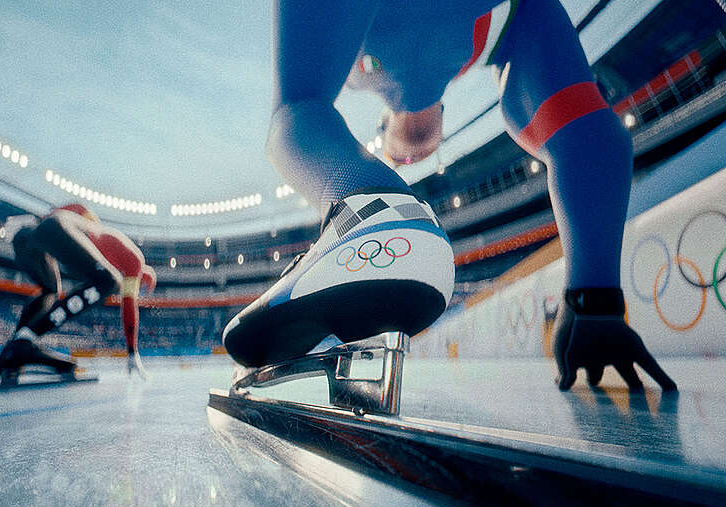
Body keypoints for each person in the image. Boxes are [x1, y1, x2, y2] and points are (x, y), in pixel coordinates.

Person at [223, 0, 676, 392]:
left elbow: (297, 114)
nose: (413, 154)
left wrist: (366, 192)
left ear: (385, 133)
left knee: (296, 112)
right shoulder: (495, 27)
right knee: (539, 110)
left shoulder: (370, 61)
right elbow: (586, 133)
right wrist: (594, 301)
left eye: (398, 161)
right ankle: (369, 209)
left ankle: (370, 212)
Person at [0, 204, 156, 381]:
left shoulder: (98, 236)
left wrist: (43, 217)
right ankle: (24, 342)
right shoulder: (136, 264)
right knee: (111, 282)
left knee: (50, 291)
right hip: (55, 228)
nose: (133, 289)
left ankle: (10, 353)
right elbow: (129, 306)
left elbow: (78, 207)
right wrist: (132, 352)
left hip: (28, 236)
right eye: (138, 287)